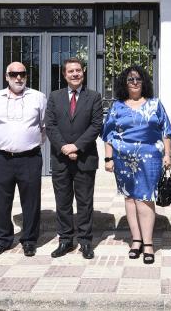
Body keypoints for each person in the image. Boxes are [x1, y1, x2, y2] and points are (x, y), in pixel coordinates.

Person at [102, 65, 171, 264]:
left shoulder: (155, 104)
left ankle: (148, 243)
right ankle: (136, 240)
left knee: (146, 198)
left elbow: (166, 131)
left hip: (150, 158)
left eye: (138, 79)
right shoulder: (117, 106)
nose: (134, 83)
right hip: (123, 159)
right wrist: (108, 158)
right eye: (130, 80)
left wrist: (167, 155)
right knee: (130, 199)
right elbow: (108, 134)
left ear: (144, 83)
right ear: (124, 83)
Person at [0, 62, 47, 257]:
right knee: (1, 201)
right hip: (2, 157)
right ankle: (3, 239)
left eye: (22, 74)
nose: (18, 78)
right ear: (6, 76)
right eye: (13, 74)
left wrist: (29, 142)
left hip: (29, 157)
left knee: (31, 201)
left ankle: (29, 240)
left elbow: (44, 126)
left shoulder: (38, 97)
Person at [46, 58, 103, 260]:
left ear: (84, 72)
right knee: (62, 202)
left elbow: (96, 126)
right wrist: (64, 147)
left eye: (78, 70)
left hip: (84, 158)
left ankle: (86, 242)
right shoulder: (54, 97)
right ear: (64, 74)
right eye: (71, 71)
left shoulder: (94, 97)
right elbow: (50, 126)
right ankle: (65, 240)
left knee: (85, 202)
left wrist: (76, 146)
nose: (75, 74)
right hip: (60, 159)